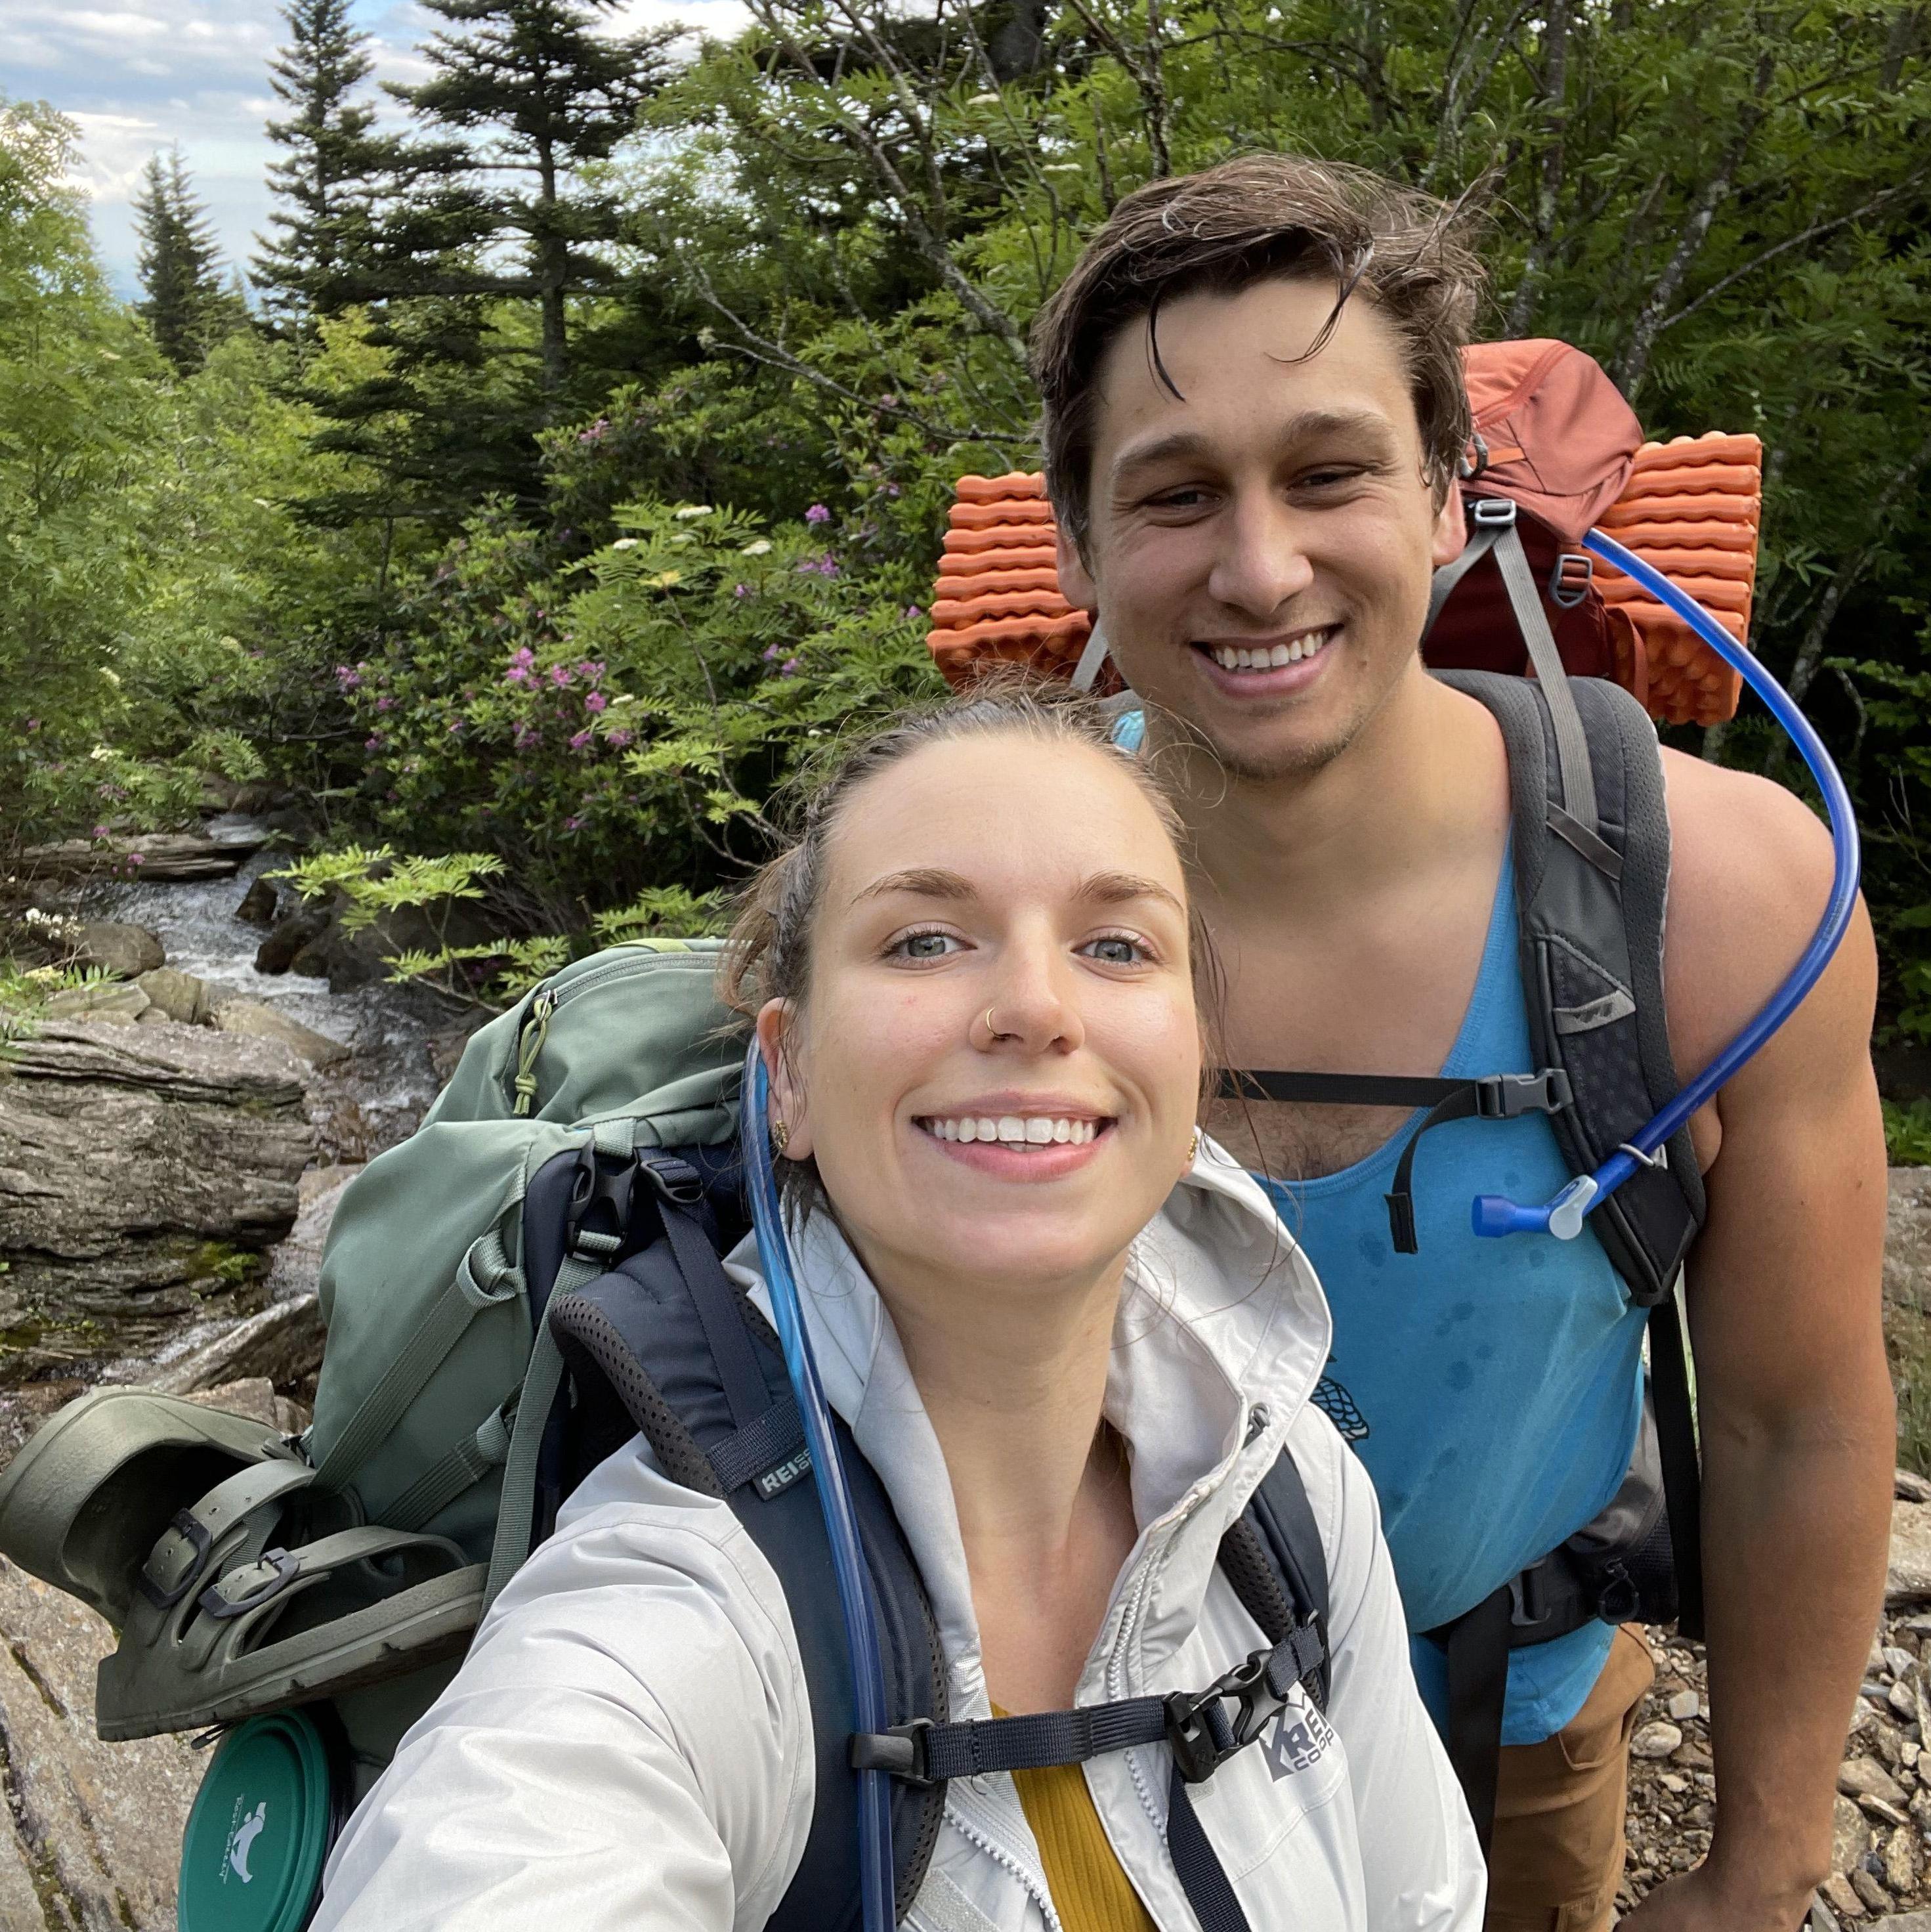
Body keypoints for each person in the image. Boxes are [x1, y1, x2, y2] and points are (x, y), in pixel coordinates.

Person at [1033, 154, 1895, 1932]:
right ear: (1078, 544)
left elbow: (1796, 1416)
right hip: (1088, 1747)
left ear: (1444, 495)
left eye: (1327, 471)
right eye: (1175, 493)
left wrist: (1757, 1867)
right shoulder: (969, 907)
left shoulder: (1723, 903)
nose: (1258, 566)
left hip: (1514, 1722)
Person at [312, 688, 1485, 1931]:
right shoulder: (670, 1623)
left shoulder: (1291, 1490)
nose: (1038, 1007)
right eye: (924, 940)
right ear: (790, 1078)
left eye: (1117, 945)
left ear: (1191, 1057)